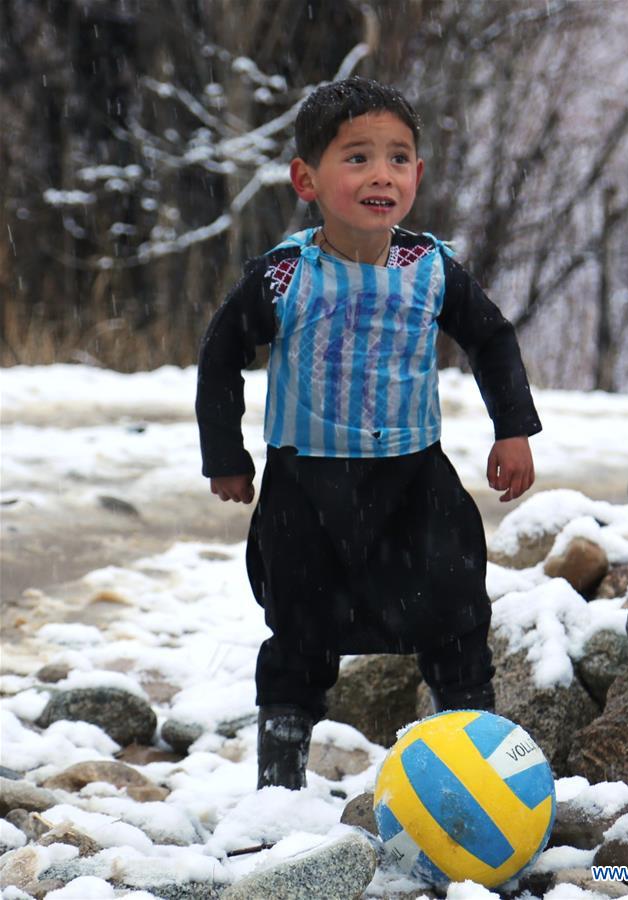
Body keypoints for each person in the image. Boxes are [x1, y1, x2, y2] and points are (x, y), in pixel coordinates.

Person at [196, 77, 542, 790]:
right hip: (305, 487)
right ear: (306, 179)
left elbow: (492, 340)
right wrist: (224, 455)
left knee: (453, 614)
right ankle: (279, 784)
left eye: (398, 157)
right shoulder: (284, 277)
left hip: (412, 482)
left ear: (417, 174)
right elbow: (220, 353)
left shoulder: (430, 270)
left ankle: (476, 772)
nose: (380, 174)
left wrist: (513, 430)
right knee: (297, 626)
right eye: (356, 157)